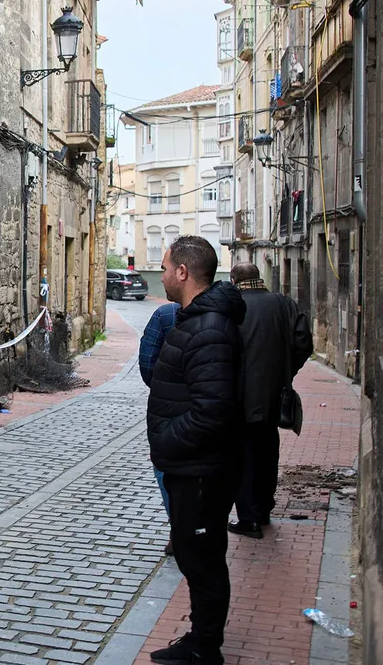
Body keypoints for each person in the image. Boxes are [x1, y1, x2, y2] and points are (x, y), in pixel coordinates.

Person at [146, 236, 246, 665]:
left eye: (166, 267)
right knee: (195, 554)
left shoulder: (208, 329)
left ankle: (206, 648)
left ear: (183, 272)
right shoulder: (197, 320)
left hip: (201, 469)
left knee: (202, 559)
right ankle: (201, 638)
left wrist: (166, 441)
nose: (163, 274)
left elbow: (212, 410)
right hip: (193, 466)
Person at [227, 262, 314, 539]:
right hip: (274, 395)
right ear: (258, 278)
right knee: (267, 452)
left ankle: (249, 519)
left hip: (239, 397)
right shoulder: (284, 304)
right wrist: (285, 372)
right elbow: (304, 343)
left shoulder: (232, 306)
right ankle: (263, 509)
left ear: (234, 279)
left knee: (242, 456)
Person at [139, 300, 181, 555]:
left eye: (165, 269)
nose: (162, 275)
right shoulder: (227, 313)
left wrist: (163, 387)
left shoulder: (166, 314)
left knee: (165, 469)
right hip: (216, 408)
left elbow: (147, 360)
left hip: (169, 410)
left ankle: (179, 528)